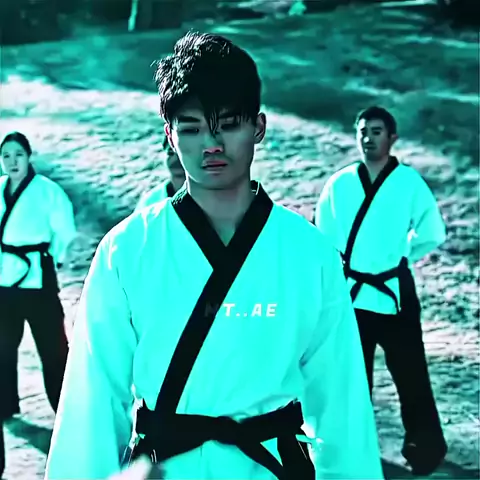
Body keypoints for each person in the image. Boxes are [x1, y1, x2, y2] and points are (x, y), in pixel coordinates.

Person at [45, 32, 384, 480]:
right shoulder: (127, 250)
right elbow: (92, 397)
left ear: (258, 127)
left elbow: (341, 404)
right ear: (169, 135)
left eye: (227, 124)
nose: (211, 143)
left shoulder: (309, 252)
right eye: (191, 128)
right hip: (165, 469)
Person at [314, 106, 448, 476]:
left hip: (393, 292)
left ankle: (424, 448)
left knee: (411, 374)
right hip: (352, 293)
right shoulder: (340, 184)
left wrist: (402, 257)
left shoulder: (409, 183)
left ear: (392, 138)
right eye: (362, 131)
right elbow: (323, 238)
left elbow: (433, 232)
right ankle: (352, 449)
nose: (368, 138)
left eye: (376, 131)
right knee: (351, 378)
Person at [0, 132, 76, 479]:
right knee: (3, 348)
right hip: (4, 282)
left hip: (38, 280)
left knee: (53, 348)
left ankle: (65, 411)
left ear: (28, 156)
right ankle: (5, 404)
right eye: (6, 156)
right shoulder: (0, 189)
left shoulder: (47, 191)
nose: (12, 161)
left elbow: (65, 230)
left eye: (18, 154)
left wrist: (50, 259)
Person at [134, 136, 185, 212]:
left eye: (182, 152)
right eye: (170, 152)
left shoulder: (204, 197)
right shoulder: (150, 202)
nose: (175, 158)